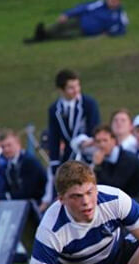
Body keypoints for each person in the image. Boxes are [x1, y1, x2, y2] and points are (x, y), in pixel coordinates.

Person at [44, 69, 100, 209]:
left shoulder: (89, 104)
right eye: (71, 87)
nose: (76, 90)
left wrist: (83, 142)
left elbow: (95, 130)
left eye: (77, 86)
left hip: (86, 154)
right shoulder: (54, 110)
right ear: (61, 89)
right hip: (67, 157)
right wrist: (54, 163)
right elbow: (54, 138)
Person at [24, 0, 129, 44]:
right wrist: (67, 14)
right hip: (79, 20)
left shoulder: (119, 15)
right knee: (60, 25)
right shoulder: (99, 4)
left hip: (86, 31)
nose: (111, 2)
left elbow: (121, 29)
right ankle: (43, 33)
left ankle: (42, 37)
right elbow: (83, 8)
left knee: (68, 35)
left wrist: (106, 35)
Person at [92, 124, 139, 196]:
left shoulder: (127, 159)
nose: (102, 145)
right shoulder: (102, 158)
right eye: (98, 141)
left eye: (105, 140)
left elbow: (114, 187)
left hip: (138, 198)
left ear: (113, 141)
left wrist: (97, 166)